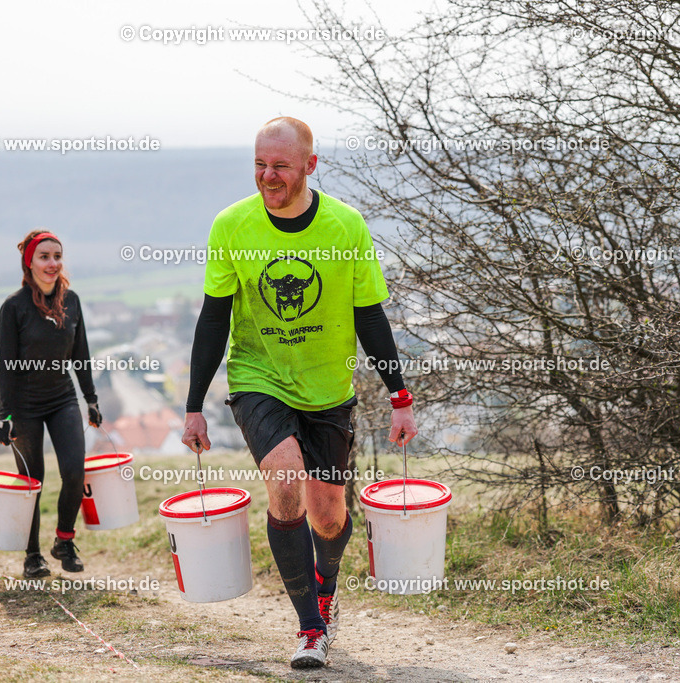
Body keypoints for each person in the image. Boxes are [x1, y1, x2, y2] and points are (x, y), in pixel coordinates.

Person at [183, 117, 417, 669]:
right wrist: (194, 404)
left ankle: (326, 586)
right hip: (258, 377)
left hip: (328, 388)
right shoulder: (231, 226)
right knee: (285, 482)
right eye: (260, 165)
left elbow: (369, 316)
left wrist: (399, 396)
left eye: (281, 166)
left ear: (310, 166)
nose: (268, 176)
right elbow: (214, 318)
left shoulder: (346, 227)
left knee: (330, 516)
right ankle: (310, 628)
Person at [0, 230, 102, 578]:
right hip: (24, 405)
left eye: (57, 255)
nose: (52, 263)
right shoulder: (14, 307)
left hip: (62, 399)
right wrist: (4, 415)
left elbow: (81, 355)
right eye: (44, 256)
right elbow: (7, 365)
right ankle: (32, 555)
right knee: (31, 480)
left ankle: (64, 540)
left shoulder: (71, 301)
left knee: (74, 471)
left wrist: (91, 399)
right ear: (29, 262)